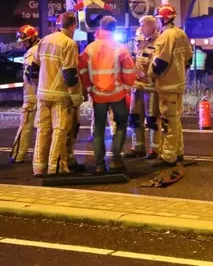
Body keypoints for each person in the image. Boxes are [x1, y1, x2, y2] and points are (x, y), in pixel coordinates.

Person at [79, 15, 136, 173]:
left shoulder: (90, 48)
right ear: (115, 28)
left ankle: (99, 165)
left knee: (98, 130)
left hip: (98, 96)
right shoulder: (120, 47)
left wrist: (89, 88)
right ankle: (116, 160)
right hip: (117, 94)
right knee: (121, 125)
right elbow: (130, 72)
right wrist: (126, 87)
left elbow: (82, 70)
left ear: (100, 28)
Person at [32, 12, 85, 176]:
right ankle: (55, 167)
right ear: (73, 25)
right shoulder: (69, 43)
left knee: (43, 130)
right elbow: (70, 74)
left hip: (42, 93)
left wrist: (38, 88)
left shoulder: (44, 40)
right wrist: (77, 97)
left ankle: (39, 167)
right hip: (60, 95)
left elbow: (33, 69)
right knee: (60, 130)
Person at [149, 4, 192, 168]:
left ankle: (168, 156)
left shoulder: (166, 36)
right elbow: (189, 57)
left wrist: (150, 74)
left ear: (163, 19)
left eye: (158, 19)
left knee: (168, 121)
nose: (158, 22)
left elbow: (160, 62)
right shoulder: (181, 33)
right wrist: (179, 72)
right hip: (178, 84)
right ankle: (178, 152)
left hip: (167, 85)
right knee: (176, 120)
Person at [125, 15, 161, 159]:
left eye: (143, 25)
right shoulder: (138, 41)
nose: (141, 28)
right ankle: (137, 147)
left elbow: (157, 65)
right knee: (135, 117)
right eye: (140, 25)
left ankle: (155, 149)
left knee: (152, 119)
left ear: (152, 26)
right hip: (137, 86)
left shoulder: (158, 42)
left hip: (150, 87)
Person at [9, 25, 40, 163]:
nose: (23, 45)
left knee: (25, 126)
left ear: (32, 38)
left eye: (25, 42)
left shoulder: (31, 53)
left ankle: (17, 155)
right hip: (41, 94)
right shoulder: (41, 49)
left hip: (32, 96)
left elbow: (31, 76)